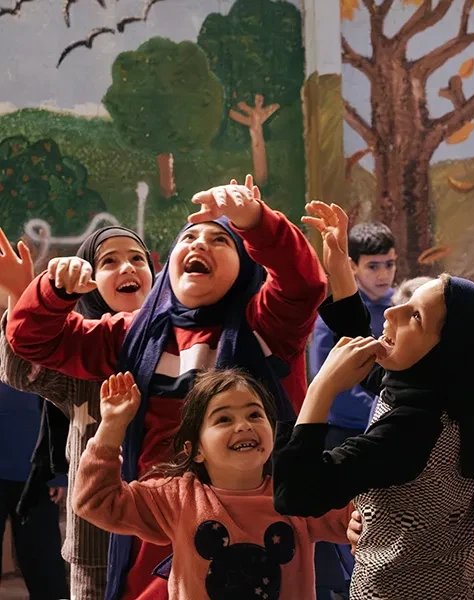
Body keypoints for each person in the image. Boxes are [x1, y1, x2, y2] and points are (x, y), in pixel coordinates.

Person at [6, 175, 326, 600]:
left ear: (246, 265)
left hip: (250, 522)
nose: (198, 244)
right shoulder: (132, 333)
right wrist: (52, 290)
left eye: (219, 240)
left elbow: (303, 285)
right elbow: (33, 341)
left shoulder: (265, 326)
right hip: (156, 526)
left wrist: (256, 222)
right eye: (188, 237)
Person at [272, 201, 474, 600]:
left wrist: (319, 388)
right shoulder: (437, 394)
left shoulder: (415, 429)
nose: (392, 311)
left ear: (448, 356)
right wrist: (339, 264)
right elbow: (367, 345)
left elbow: (297, 491)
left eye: (416, 318)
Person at [73, 369, 351, 599]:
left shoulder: (297, 495)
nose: (243, 425)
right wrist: (111, 427)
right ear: (195, 450)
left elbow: (355, 520)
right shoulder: (177, 497)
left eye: (255, 415)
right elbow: (96, 501)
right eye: (223, 419)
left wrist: (357, 522)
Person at [0, 224, 155, 600]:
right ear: (89, 280)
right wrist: (22, 296)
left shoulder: (175, 346)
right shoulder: (78, 356)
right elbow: (19, 371)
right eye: (109, 261)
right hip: (95, 548)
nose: (127, 267)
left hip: (163, 537)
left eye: (137, 258)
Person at [310, 222, 396, 600]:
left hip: (388, 437)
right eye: (374, 265)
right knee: (346, 535)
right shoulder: (328, 319)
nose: (383, 274)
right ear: (354, 268)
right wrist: (388, 414)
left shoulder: (400, 310)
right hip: (342, 437)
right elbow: (333, 384)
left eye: (390, 264)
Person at [0, 375, 69, 600]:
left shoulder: (35, 356)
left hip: (35, 476)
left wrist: (57, 474)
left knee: (44, 564)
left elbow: (55, 414)